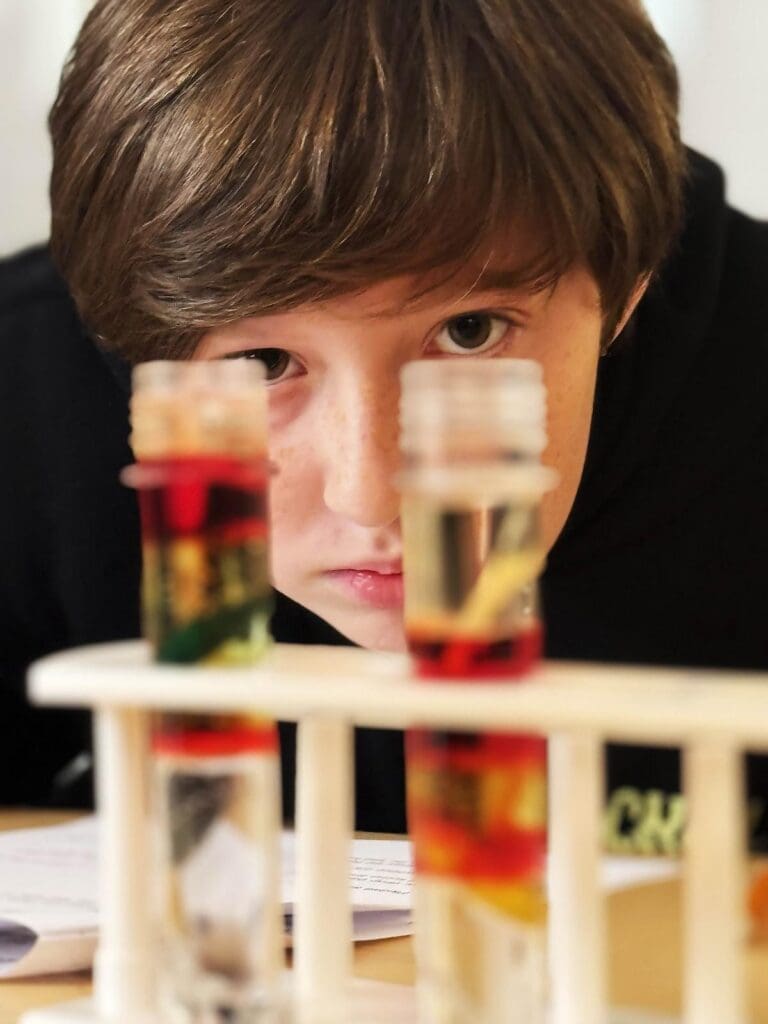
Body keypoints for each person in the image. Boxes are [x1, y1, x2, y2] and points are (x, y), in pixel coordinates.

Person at [2, 0, 767, 852]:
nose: (369, 495)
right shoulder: (24, 387)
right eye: (261, 364)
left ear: (628, 291)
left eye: (470, 331)